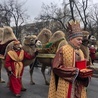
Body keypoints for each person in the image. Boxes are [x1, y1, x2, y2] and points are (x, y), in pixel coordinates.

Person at [48, 20, 92, 98]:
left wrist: (86, 73)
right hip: (66, 84)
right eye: (78, 39)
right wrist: (75, 71)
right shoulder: (63, 49)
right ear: (71, 39)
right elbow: (56, 67)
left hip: (79, 85)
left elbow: (83, 66)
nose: (81, 42)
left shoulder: (81, 51)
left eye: (81, 40)